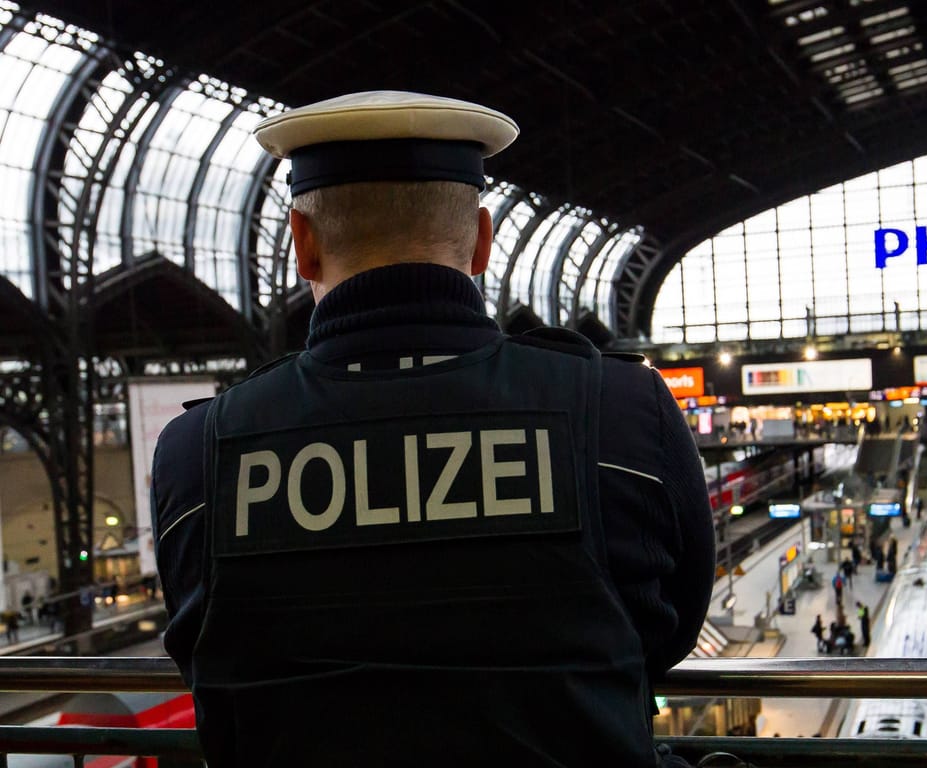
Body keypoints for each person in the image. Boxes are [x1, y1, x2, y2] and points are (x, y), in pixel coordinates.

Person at [151, 91, 714, 768]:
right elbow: (669, 631)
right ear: (481, 240)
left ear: (301, 244)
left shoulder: (199, 455)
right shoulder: (623, 412)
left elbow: (201, 658)